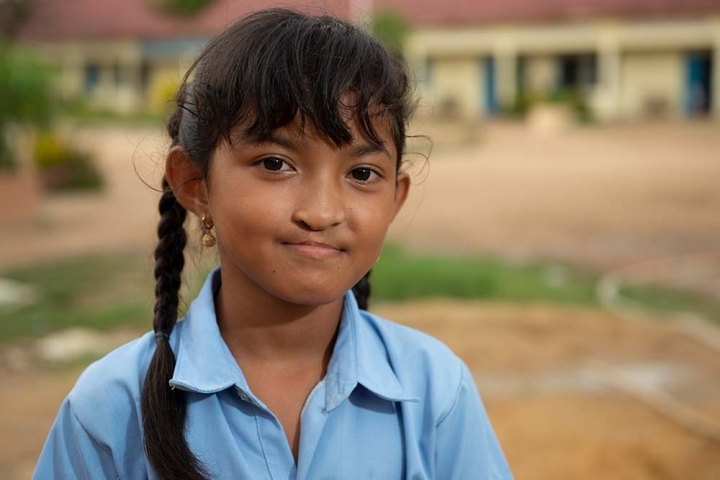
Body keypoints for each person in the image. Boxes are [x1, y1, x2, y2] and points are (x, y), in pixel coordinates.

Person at [34, 8, 512, 480]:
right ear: (195, 183)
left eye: (362, 174)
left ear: (394, 200)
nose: (322, 212)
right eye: (275, 163)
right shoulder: (110, 408)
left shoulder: (435, 391)